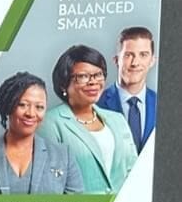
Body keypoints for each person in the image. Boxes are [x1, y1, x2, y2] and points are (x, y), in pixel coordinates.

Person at [37, 45, 138, 194]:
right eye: (83, 76)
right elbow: (50, 184)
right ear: (64, 84)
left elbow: (134, 170)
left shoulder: (117, 119)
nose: (93, 82)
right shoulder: (50, 123)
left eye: (98, 74)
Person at [0, 71, 83, 194]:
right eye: (23, 105)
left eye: (39, 107)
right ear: (8, 106)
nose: (31, 114)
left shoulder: (64, 156)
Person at [97, 26, 157, 154]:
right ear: (116, 60)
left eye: (143, 55)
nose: (135, 62)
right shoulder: (96, 104)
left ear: (152, 61)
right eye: (128, 55)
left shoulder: (165, 105)